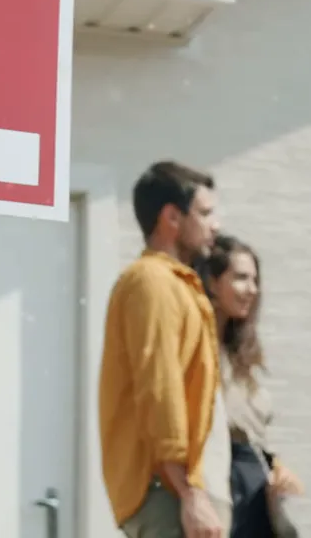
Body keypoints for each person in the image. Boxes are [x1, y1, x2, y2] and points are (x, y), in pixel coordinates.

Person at [99, 161, 227, 538]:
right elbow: (160, 389)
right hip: (166, 493)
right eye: (204, 213)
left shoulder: (178, 284)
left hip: (178, 491)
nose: (214, 225)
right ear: (171, 217)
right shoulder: (151, 282)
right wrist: (188, 493)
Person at [195, 235, 303, 538]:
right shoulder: (197, 349)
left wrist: (278, 468)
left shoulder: (241, 354)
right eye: (241, 278)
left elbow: (256, 432)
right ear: (213, 283)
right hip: (219, 481)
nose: (252, 289)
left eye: (255, 280)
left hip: (256, 488)